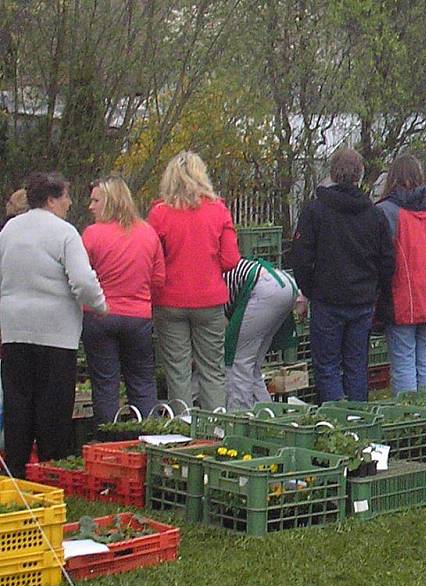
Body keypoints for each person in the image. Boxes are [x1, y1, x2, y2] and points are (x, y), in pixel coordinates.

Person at [0, 172, 107, 477]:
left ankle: (15, 474)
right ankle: (51, 473)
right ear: (51, 199)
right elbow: (83, 281)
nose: (70, 203)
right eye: (65, 197)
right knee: (54, 409)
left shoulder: (9, 231)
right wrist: (100, 304)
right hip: (56, 334)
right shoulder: (65, 233)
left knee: (18, 405)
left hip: (15, 330)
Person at [289, 148, 394, 403]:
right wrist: (375, 289)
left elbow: (301, 256)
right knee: (357, 366)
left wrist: (309, 289)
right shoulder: (374, 214)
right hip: (362, 301)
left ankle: (335, 421)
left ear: (332, 172)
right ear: (360, 175)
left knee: (327, 367)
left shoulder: (315, 211)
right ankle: (358, 421)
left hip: (327, 299)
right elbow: (387, 260)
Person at [148, 151, 241, 410]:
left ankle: (182, 429)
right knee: (212, 369)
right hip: (209, 300)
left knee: (178, 370)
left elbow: (152, 260)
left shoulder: (159, 214)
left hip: (169, 301)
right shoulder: (218, 210)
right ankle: (215, 428)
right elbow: (231, 259)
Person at [81, 175, 165, 424]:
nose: (90, 206)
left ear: (109, 202)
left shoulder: (92, 235)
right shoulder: (148, 233)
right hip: (138, 317)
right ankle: (149, 437)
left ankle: (108, 442)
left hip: (99, 316)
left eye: (96, 200)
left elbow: (80, 276)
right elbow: (159, 279)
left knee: (105, 384)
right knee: (142, 381)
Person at [377, 155, 426, 396]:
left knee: (404, 362)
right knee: (424, 360)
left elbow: (382, 259)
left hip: (403, 299)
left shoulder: (386, 212)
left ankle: (408, 420)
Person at [223, 258, 300, 410]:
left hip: (264, 289)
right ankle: (267, 415)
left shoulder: (210, 281)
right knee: (254, 366)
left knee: (239, 362)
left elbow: (223, 327)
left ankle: (240, 417)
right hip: (284, 284)